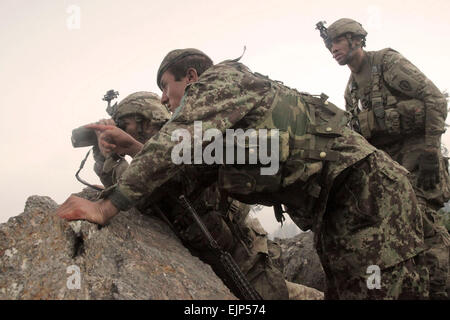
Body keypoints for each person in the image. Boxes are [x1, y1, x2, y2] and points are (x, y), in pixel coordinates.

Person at [58, 48, 429, 299]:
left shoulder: (223, 81)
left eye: (166, 88)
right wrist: (125, 150)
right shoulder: (216, 126)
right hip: (340, 207)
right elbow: (182, 177)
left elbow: (181, 138)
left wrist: (108, 208)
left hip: (364, 195)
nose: (165, 100)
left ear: (190, 77)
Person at [89, 91, 291, 299]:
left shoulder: (184, 139)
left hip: (247, 260)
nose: (121, 131)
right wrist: (105, 155)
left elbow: (161, 182)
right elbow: (129, 191)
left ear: (146, 120)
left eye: (124, 125)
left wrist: (123, 152)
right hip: (213, 262)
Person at [318, 18, 450, 299]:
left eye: (337, 42)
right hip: (393, 166)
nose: (333, 50)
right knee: (400, 231)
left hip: (418, 154)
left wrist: (430, 150)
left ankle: (441, 287)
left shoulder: (387, 63)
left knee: (425, 225)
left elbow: (435, 99)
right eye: (329, 45)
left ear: (355, 39)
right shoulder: (350, 90)